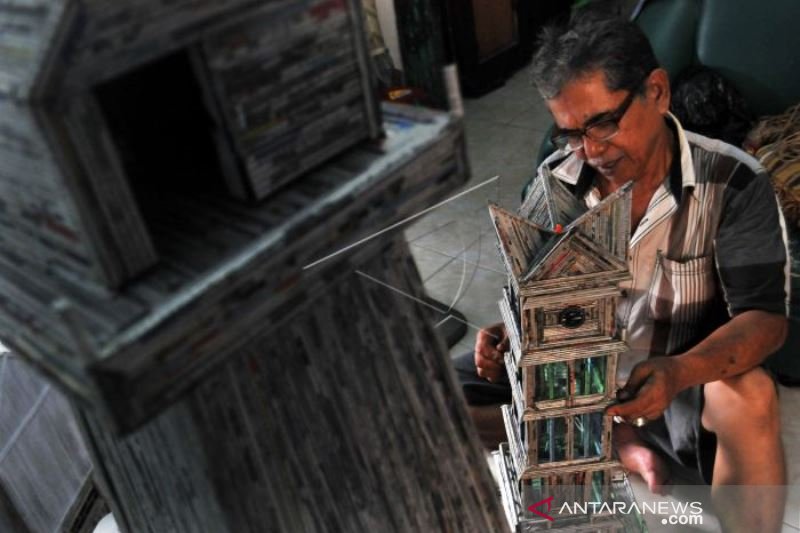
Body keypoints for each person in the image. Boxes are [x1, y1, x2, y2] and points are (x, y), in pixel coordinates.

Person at [454, 10, 790, 533]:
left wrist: (680, 371)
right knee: (428, 399)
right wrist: (508, 338)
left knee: (749, 395)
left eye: (603, 123)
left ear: (657, 91)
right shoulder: (556, 184)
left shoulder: (733, 183)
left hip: (673, 385)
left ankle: (624, 444)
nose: (590, 151)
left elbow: (766, 320)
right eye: (569, 133)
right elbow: (539, 298)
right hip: (575, 381)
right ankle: (616, 442)